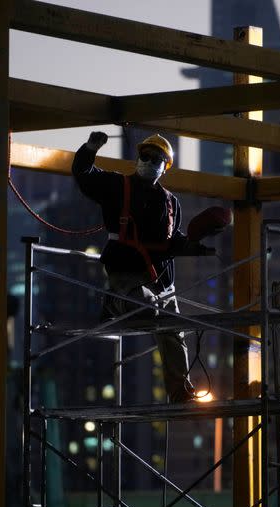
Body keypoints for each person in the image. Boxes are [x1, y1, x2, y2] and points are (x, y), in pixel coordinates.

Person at [72, 131, 197, 403]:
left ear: (166, 167)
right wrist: (90, 149)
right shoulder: (117, 186)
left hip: (162, 281)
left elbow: (172, 240)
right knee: (148, 309)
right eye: (146, 156)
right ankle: (113, 304)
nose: (150, 161)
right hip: (127, 275)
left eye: (157, 159)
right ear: (138, 158)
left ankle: (180, 390)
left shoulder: (170, 202)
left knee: (174, 333)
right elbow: (84, 175)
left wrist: (194, 244)